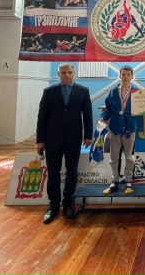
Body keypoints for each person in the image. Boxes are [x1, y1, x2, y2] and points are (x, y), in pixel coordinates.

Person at [36, 63, 93, 224]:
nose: (67, 75)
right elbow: (42, 116)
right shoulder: (49, 92)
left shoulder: (83, 91)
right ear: (58, 74)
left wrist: (88, 135)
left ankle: (68, 203)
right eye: (64, 72)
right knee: (53, 172)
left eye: (69, 72)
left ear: (74, 73)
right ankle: (53, 205)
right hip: (52, 139)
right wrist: (40, 140)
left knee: (72, 172)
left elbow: (87, 114)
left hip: (73, 139)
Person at [100, 65, 145, 195]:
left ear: (132, 76)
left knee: (129, 156)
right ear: (120, 75)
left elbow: (141, 111)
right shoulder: (113, 92)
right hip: (115, 126)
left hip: (130, 126)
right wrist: (103, 117)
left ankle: (128, 180)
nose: (126, 77)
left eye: (128, 74)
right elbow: (108, 109)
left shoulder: (137, 92)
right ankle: (115, 181)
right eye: (123, 74)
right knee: (114, 156)